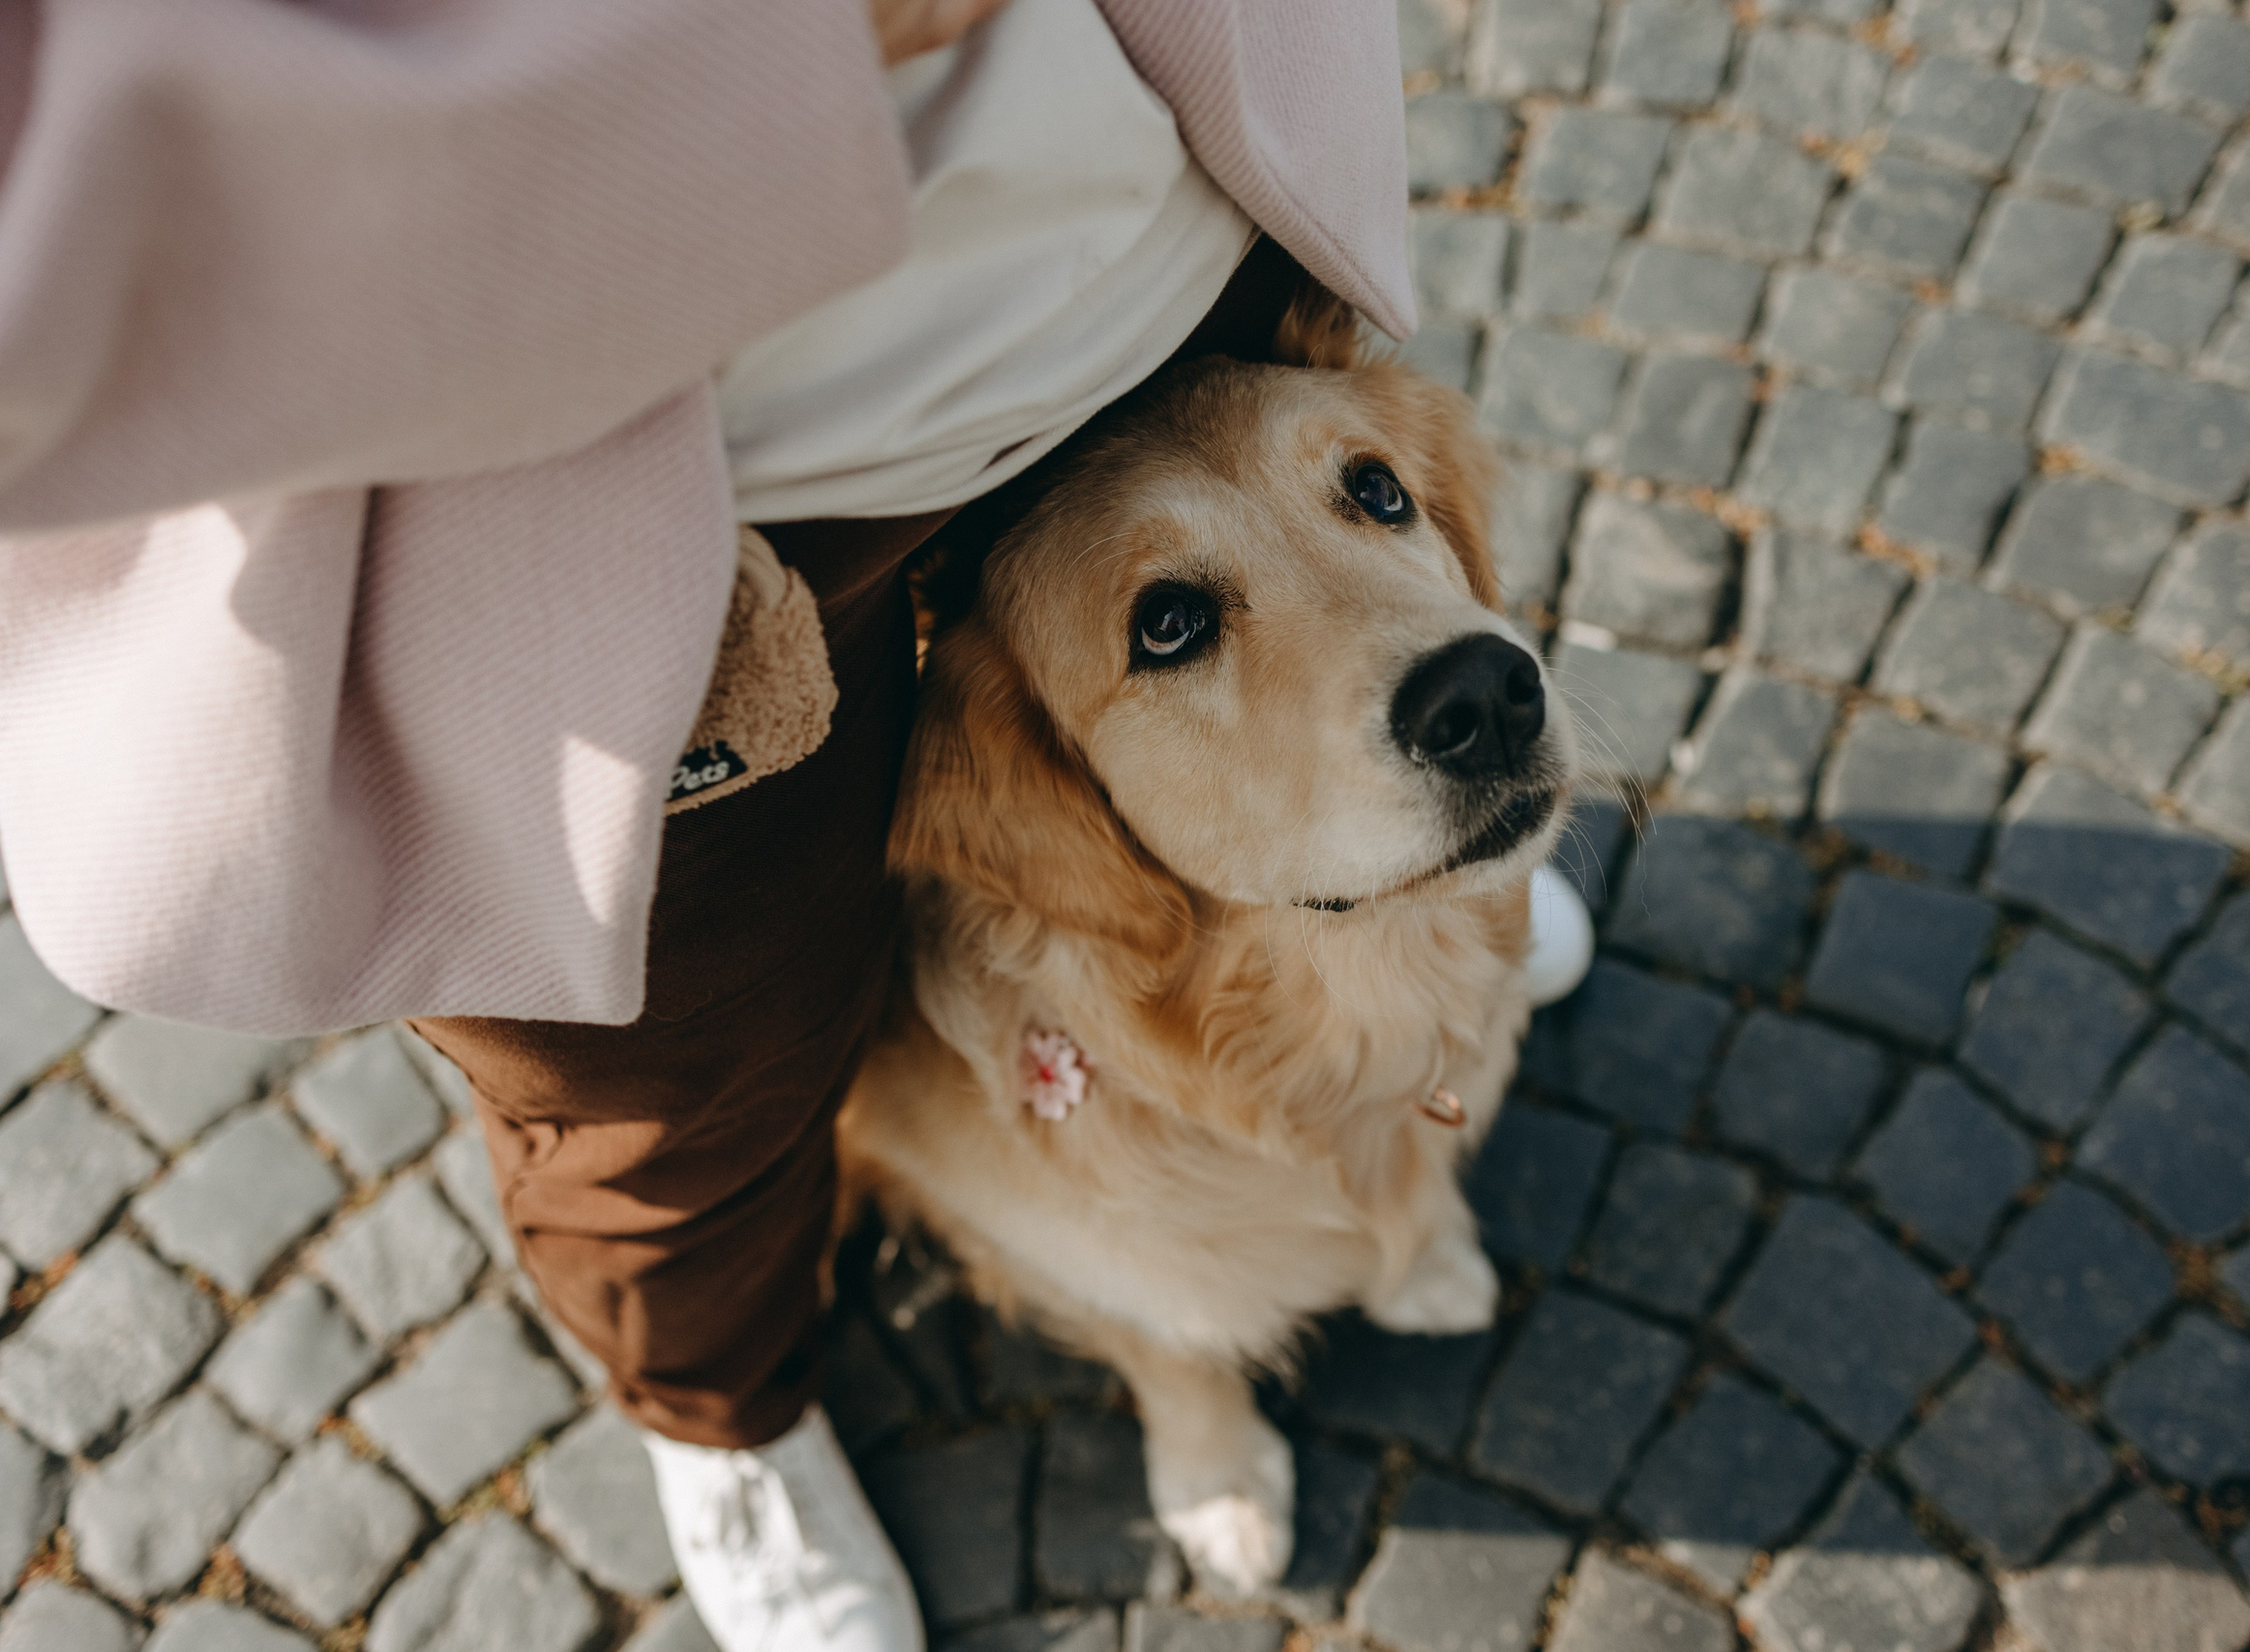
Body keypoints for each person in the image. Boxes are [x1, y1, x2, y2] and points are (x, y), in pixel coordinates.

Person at [0, 4, 1591, 1647]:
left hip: (1161, 223)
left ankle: (1408, 1011)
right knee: (669, 1093)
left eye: (1388, 500)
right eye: (1179, 633)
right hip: (628, 526)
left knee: (1392, 812)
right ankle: (719, 1411)